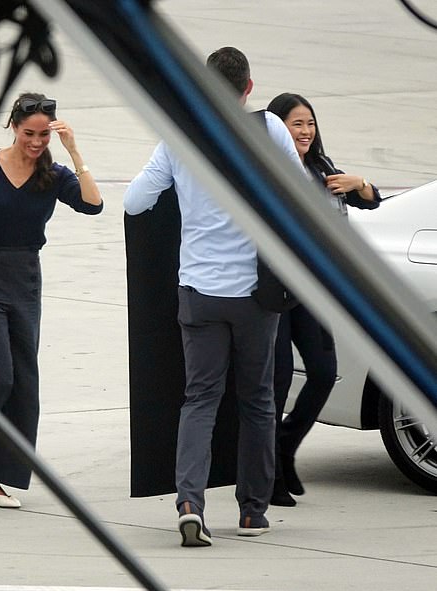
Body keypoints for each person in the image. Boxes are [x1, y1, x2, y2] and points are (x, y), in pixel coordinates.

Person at [123, 47, 305, 546]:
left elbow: (134, 201)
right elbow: (299, 191)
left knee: (199, 399)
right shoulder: (269, 130)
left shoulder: (179, 137)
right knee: (258, 401)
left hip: (199, 293)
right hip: (255, 295)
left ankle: (189, 502)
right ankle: (251, 511)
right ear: (248, 88)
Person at [0, 92, 103, 508]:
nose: (36, 141)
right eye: (30, 133)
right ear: (13, 126)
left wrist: (74, 150)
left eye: (45, 134)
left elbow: (93, 205)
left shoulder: (54, 174)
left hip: (25, 278)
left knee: (24, 387)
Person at [266, 92, 380, 507]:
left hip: (313, 295)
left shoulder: (322, 168)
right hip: (275, 293)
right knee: (276, 382)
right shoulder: (268, 171)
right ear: (278, 128)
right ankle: (270, 474)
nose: (306, 132)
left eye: (310, 124)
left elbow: (371, 200)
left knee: (323, 371)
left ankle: (284, 444)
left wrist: (359, 183)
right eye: (297, 124)